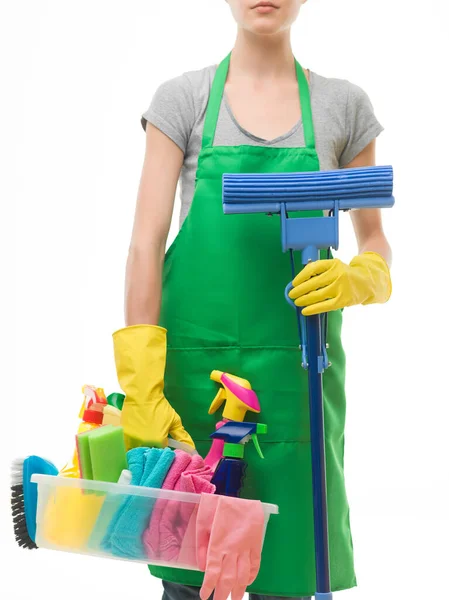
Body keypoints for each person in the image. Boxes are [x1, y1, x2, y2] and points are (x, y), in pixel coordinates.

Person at [114, 1, 393, 599]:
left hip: (300, 386)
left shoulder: (344, 106)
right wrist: (140, 386)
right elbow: (144, 245)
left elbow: (375, 240)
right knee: (194, 575)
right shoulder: (183, 102)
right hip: (196, 392)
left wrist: (362, 276)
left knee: (293, 569)